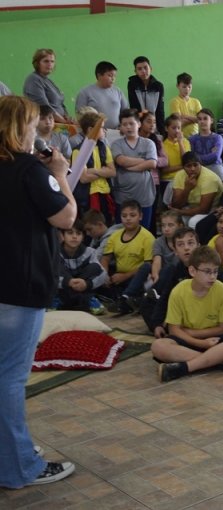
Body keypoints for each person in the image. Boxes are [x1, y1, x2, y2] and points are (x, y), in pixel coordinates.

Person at [0, 95, 78, 488]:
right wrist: (61, 173)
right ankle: (19, 468)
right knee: (9, 379)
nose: (37, 130)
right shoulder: (29, 168)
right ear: (20, 127)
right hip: (19, 284)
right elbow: (66, 216)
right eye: (33, 123)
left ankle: (8, 454)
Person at [152, 246, 223, 382]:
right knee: (158, 346)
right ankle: (220, 360)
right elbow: (173, 330)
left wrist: (193, 333)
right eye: (207, 272)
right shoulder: (179, 291)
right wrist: (201, 344)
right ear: (192, 271)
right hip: (188, 341)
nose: (213, 277)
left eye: (215, 271)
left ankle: (185, 368)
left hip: (214, 340)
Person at [100, 200, 155, 308]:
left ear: (140, 216)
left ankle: (125, 297)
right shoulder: (114, 236)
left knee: (146, 268)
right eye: (124, 216)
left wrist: (124, 276)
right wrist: (104, 275)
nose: (128, 219)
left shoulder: (148, 238)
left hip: (137, 277)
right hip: (117, 276)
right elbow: (105, 259)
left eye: (132, 215)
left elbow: (149, 265)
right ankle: (126, 298)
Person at [111, 109, 158, 228]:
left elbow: (152, 163)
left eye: (131, 123)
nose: (128, 127)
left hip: (144, 196)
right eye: (124, 124)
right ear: (121, 127)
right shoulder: (117, 144)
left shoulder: (149, 143)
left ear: (139, 124)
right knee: (121, 232)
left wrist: (130, 167)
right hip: (123, 196)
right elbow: (121, 160)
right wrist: (143, 161)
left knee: (143, 231)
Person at [56, 219, 108, 314]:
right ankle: (59, 300)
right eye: (70, 233)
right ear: (63, 235)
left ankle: (87, 300)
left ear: (83, 237)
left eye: (78, 233)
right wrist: (68, 282)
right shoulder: (55, 252)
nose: (74, 237)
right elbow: (46, 276)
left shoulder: (90, 252)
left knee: (95, 267)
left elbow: (103, 274)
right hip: (63, 289)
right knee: (57, 267)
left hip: (83, 287)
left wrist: (87, 284)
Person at [71, 111, 116, 217]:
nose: (105, 131)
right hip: (89, 196)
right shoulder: (78, 151)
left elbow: (113, 172)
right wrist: (103, 171)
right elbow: (84, 178)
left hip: (105, 193)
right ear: (91, 130)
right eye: (102, 128)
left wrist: (94, 170)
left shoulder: (104, 148)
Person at [169, 151, 223, 228]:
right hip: (192, 206)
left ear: (200, 164)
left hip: (213, 209)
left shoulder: (210, 178)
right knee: (174, 220)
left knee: (193, 222)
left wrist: (180, 212)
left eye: (195, 165)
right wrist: (187, 189)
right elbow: (176, 205)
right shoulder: (180, 175)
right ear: (183, 167)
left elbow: (204, 209)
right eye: (189, 166)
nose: (193, 169)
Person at [75, 61, 128, 131]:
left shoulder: (118, 91)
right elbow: (80, 116)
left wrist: (122, 126)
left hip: (116, 132)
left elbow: (126, 112)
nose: (113, 79)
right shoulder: (85, 92)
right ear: (99, 75)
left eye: (114, 76)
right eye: (110, 75)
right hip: (94, 133)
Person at [23, 48, 71, 124]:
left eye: (52, 61)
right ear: (37, 63)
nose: (50, 64)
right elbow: (43, 107)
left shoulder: (48, 80)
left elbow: (60, 103)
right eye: (46, 61)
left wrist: (67, 117)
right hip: (45, 124)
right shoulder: (34, 79)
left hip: (58, 123)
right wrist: (63, 121)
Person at [127, 56, 165, 132]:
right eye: (139, 69)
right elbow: (134, 107)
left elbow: (160, 110)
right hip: (138, 128)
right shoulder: (132, 84)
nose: (143, 71)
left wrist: (162, 131)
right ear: (135, 71)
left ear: (150, 69)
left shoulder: (158, 86)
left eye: (145, 68)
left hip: (154, 128)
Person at [188, 108, 223, 180]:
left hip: (215, 167)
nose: (202, 121)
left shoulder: (217, 138)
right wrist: (209, 155)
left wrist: (198, 157)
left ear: (211, 120)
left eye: (205, 118)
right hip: (199, 169)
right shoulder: (192, 139)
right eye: (199, 119)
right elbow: (192, 159)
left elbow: (215, 156)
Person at [169, 73, 201, 137]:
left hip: (195, 136)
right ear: (177, 86)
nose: (187, 89)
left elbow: (200, 119)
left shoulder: (196, 101)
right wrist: (194, 119)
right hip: (181, 137)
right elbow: (179, 123)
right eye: (184, 87)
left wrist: (183, 116)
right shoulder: (174, 102)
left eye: (189, 87)